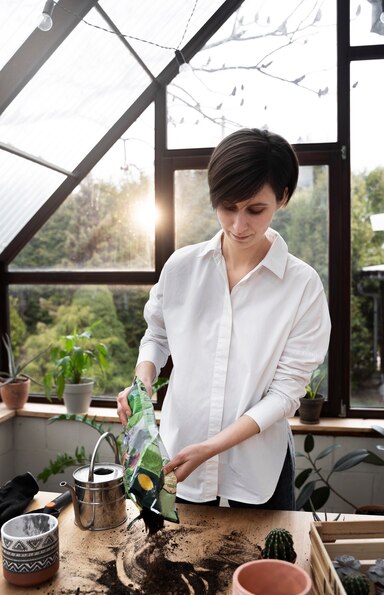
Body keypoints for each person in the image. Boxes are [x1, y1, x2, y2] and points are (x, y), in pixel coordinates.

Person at [117, 127, 331, 510]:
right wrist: (142, 379)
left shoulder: (302, 286)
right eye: (227, 207)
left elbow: (285, 394)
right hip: (180, 456)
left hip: (258, 471)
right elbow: (157, 334)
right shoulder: (182, 267)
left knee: (265, 566)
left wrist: (212, 447)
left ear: (282, 198)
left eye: (255, 209)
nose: (238, 225)